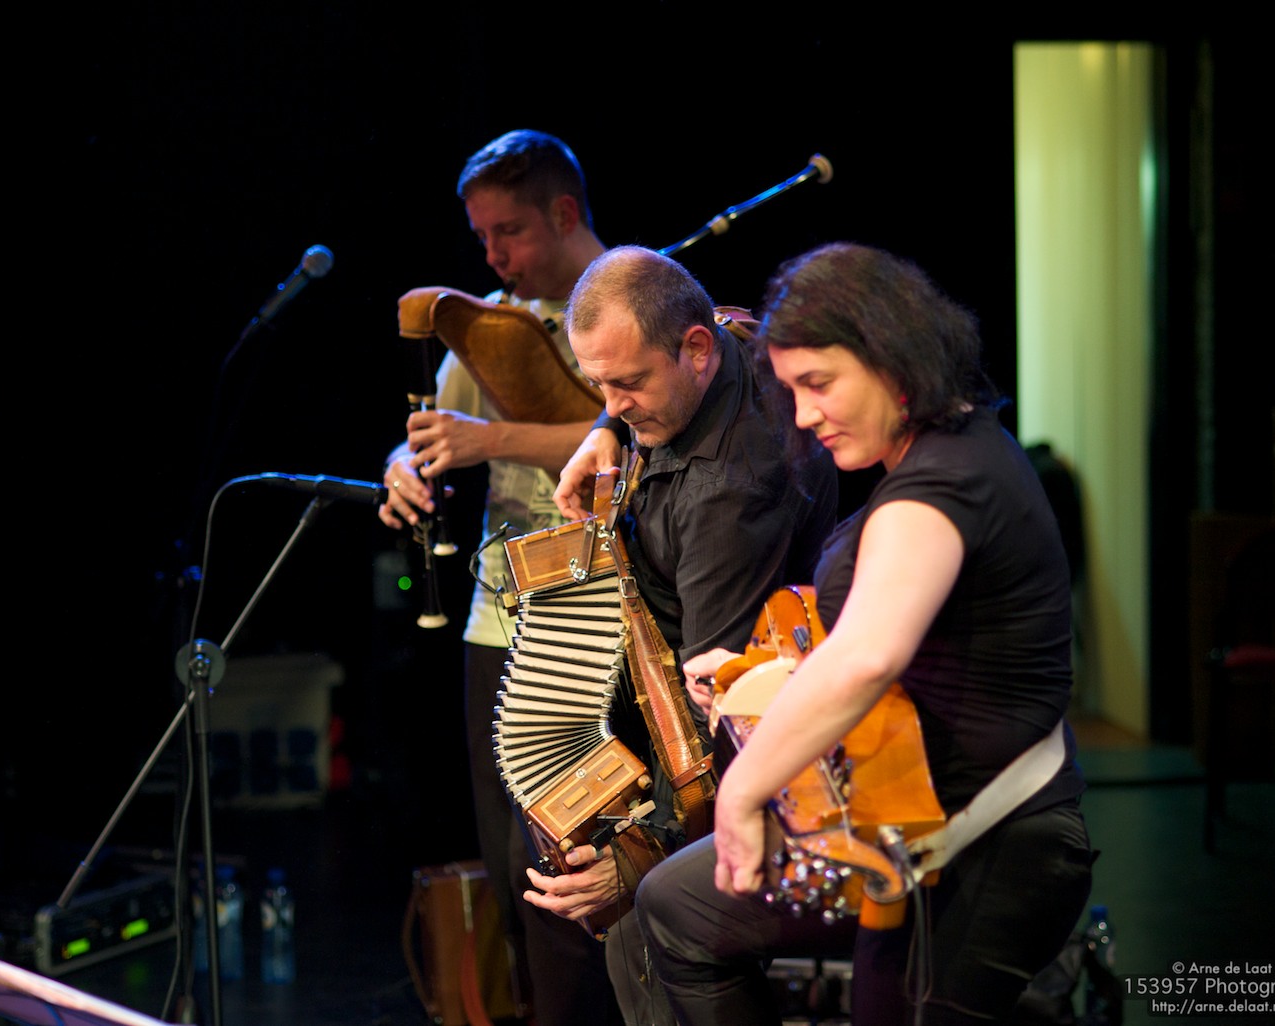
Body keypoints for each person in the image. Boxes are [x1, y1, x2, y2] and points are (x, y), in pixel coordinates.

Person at [632, 242, 1096, 1025]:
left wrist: (741, 792)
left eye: (818, 384)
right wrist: (763, 677)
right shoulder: (944, 450)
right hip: (922, 829)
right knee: (676, 908)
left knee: (679, 908)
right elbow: (904, 645)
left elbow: (868, 656)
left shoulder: (940, 484)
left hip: (985, 850)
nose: (803, 415)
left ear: (891, 356)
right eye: (791, 391)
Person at [538, 245, 841, 1023]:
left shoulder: (730, 490)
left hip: (757, 763)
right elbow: (728, 316)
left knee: (644, 924)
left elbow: (714, 717)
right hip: (668, 702)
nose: (614, 403)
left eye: (627, 384)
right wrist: (605, 429)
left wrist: (641, 855)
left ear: (694, 351)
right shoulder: (717, 347)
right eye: (599, 384)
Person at [377, 129, 614, 1026]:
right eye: (481, 237)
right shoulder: (494, 322)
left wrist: (493, 441)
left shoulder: (629, 299)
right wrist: (403, 467)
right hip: (497, 616)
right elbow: (434, 428)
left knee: (580, 857)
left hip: (601, 614)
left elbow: (632, 431)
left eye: (507, 231)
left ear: (564, 212)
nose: (492, 256)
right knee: (510, 858)